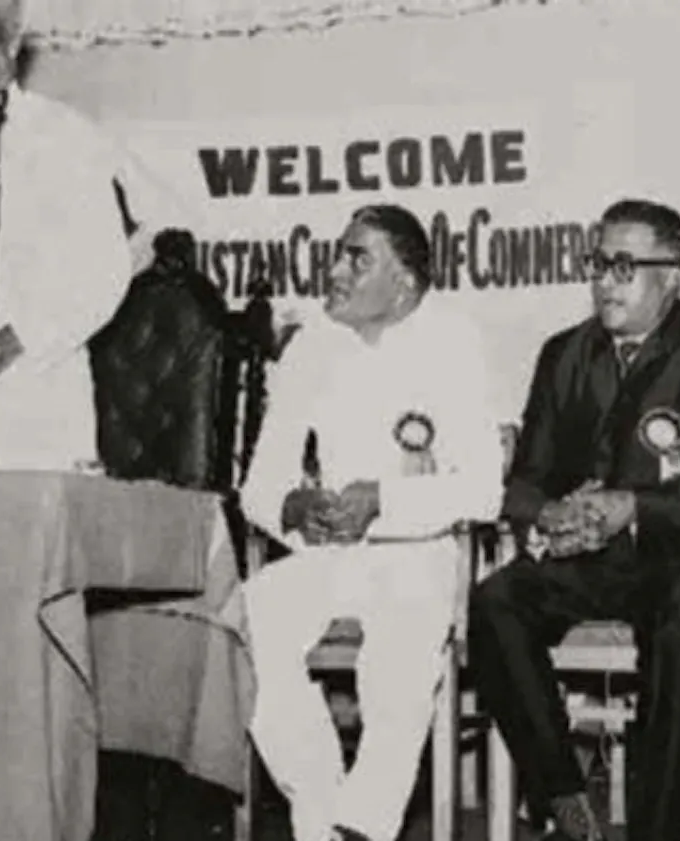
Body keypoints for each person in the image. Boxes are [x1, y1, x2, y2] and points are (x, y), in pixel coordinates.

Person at [468, 199, 680, 841]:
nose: (604, 280)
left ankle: (654, 832)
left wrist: (634, 507)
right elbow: (524, 481)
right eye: (598, 263)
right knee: (495, 602)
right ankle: (566, 800)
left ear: (672, 275)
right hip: (585, 559)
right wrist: (551, 511)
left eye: (624, 266)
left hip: (676, 558)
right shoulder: (564, 353)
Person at [241, 204, 501, 841]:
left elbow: (483, 490)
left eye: (359, 258)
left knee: (398, 660)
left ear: (405, 282)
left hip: (419, 550)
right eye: (338, 253)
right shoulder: (311, 346)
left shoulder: (454, 342)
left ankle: (363, 825)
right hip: (327, 553)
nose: (335, 270)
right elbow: (258, 486)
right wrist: (294, 509)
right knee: (243, 623)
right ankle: (326, 811)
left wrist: (382, 502)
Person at [0, 0, 173, 470]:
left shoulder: (68, 137)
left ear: (13, 41)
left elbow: (105, 272)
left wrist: (21, 340)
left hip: (37, 410)